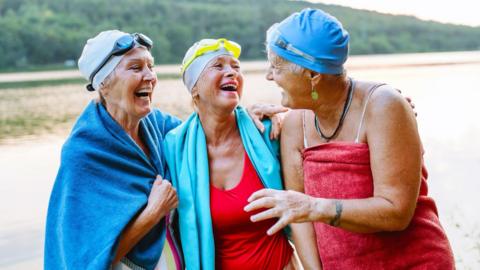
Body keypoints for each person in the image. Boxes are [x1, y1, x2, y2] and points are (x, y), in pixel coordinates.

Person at [245, 9, 455, 269]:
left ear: (312, 75)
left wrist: (313, 206)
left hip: (413, 262)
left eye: (276, 67)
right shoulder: (293, 125)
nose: (268, 76)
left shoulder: (383, 106)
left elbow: (396, 212)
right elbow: (300, 217)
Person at [163, 38, 320, 269]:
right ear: (194, 86)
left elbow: (302, 214)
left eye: (236, 67)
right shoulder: (174, 147)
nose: (231, 72)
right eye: (218, 66)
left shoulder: (267, 133)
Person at [44, 30, 183, 270]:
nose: (150, 76)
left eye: (151, 66)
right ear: (104, 84)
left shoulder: (154, 123)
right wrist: (154, 211)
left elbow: (205, 133)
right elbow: (87, 260)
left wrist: (246, 117)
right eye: (136, 68)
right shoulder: (84, 153)